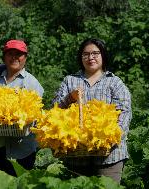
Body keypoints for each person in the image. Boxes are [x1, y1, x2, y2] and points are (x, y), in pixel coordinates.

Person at [52, 38, 132, 183]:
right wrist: (69, 97)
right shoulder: (69, 81)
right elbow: (54, 112)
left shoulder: (114, 82)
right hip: (76, 156)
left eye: (95, 53)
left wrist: (108, 140)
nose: (91, 57)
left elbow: (124, 115)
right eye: (86, 54)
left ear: (103, 55)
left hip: (109, 157)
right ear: (80, 57)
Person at [0, 39, 44, 176]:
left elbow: (37, 115)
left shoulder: (32, 82)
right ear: (4, 57)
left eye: (19, 54)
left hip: (24, 148)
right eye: (10, 53)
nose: (14, 57)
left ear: (25, 57)